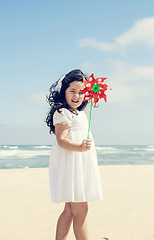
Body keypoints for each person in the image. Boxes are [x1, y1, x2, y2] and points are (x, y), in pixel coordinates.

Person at [46, 69, 102, 240]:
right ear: (64, 91)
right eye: (73, 91)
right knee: (81, 209)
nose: (77, 95)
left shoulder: (82, 114)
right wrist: (79, 147)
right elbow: (61, 140)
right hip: (72, 165)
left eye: (81, 92)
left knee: (70, 209)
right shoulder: (62, 113)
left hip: (80, 163)